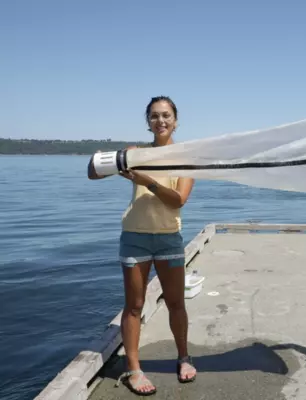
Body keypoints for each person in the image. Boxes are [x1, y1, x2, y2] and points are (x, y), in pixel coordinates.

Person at [87, 96, 196, 396]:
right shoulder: (135, 153)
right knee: (134, 306)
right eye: (154, 116)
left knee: (176, 304)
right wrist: (108, 159)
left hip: (168, 239)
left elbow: (179, 200)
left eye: (166, 115)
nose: (160, 121)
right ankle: (133, 369)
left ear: (176, 120)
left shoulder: (186, 158)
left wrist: (145, 181)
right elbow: (93, 172)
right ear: (147, 121)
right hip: (134, 237)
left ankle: (184, 357)